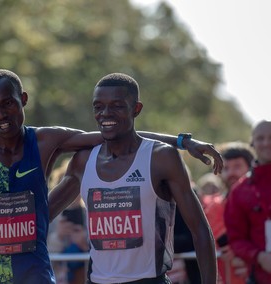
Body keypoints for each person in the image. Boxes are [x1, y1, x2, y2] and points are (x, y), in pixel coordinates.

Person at [0, 69, 222, 284]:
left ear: (23, 100)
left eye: (8, 104)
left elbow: (119, 131)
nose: (1, 115)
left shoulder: (45, 141)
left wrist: (183, 142)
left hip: (40, 274)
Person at [49, 73, 217, 284]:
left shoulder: (161, 158)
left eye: (117, 106)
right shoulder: (83, 160)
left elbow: (200, 230)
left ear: (136, 109)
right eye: (98, 107)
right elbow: (41, 216)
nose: (105, 114)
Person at [224, 120, 271, 284]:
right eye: (261, 138)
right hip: (260, 277)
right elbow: (236, 239)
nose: (266, 143)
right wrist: (259, 256)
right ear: (252, 143)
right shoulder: (239, 191)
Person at [204, 142, 254, 284]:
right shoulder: (215, 206)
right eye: (226, 168)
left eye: (237, 166)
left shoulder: (263, 201)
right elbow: (226, 241)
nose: (231, 173)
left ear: (251, 168)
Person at [47, 159, 89, 284]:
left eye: (76, 187)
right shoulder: (49, 215)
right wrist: (58, 236)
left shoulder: (89, 214)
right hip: (59, 274)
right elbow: (44, 249)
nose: (72, 194)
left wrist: (84, 242)